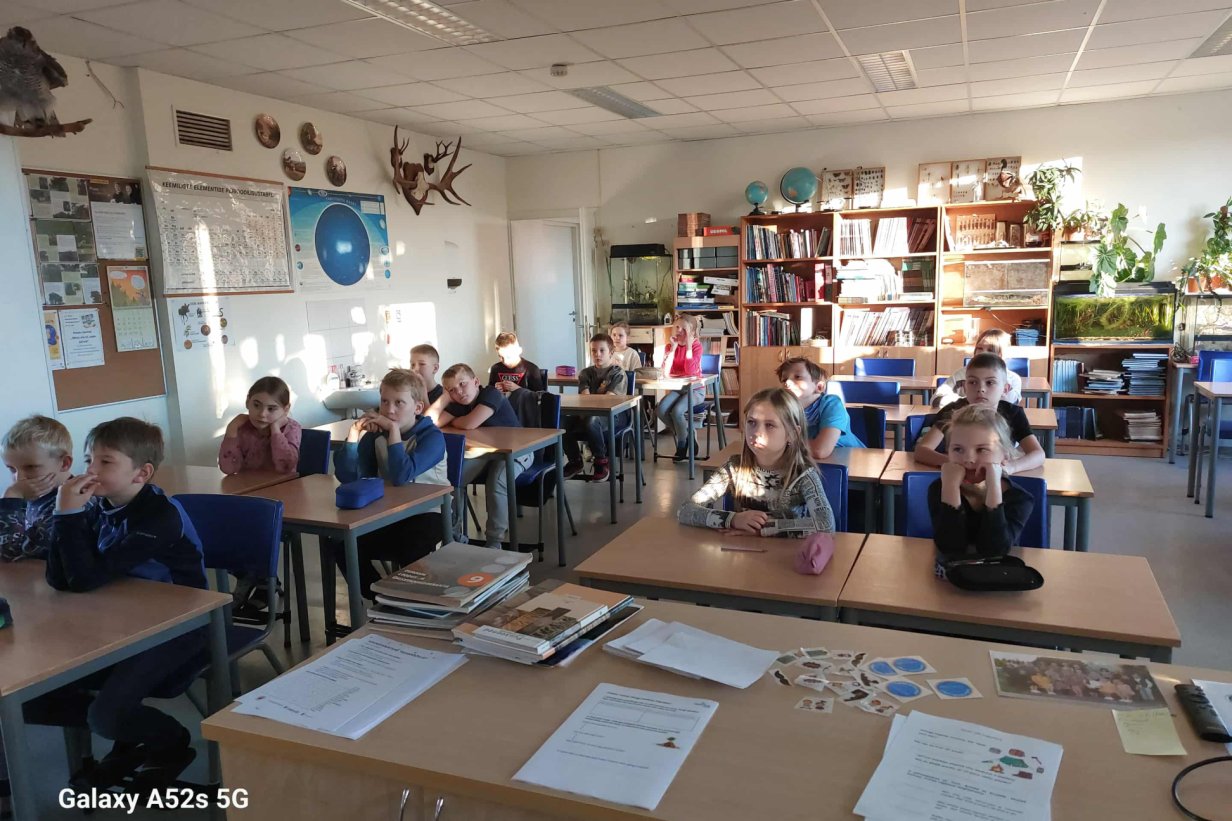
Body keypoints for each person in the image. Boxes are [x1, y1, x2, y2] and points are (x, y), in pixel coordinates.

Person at [31, 418, 207, 790]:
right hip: (116, 622)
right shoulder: (98, 505)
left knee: (106, 715)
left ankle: (170, 741)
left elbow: (84, 579)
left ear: (142, 473)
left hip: (179, 627)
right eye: (88, 460)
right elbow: (60, 578)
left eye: (105, 462)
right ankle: (127, 733)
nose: (90, 470)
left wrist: (69, 516)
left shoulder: (160, 516)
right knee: (33, 699)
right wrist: (65, 516)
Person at [334, 369, 446, 599]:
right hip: (388, 513)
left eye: (398, 403)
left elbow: (401, 475)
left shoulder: (432, 437)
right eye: (384, 401)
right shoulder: (375, 437)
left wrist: (393, 431)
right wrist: (354, 436)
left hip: (429, 512)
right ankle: (378, 597)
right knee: (339, 541)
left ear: (417, 408)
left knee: (412, 543)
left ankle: (410, 601)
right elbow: (348, 477)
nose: (389, 410)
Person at [678, 388, 834, 537]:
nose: (757, 432)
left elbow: (826, 525)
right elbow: (686, 510)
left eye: (769, 425)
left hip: (787, 553)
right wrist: (732, 519)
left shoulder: (803, 475)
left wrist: (763, 529)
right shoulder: (733, 468)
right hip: (741, 551)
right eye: (751, 422)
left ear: (792, 434)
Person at [431, 363, 528, 549]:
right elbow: (431, 422)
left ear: (476, 382)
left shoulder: (491, 393)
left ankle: (494, 541)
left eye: (462, 384)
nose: (459, 392)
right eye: (452, 390)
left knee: (497, 481)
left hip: (518, 451)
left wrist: (456, 421)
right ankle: (453, 536)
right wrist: (444, 398)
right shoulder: (459, 404)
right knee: (453, 479)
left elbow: (470, 423)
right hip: (487, 454)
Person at [928, 404, 1035, 570]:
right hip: (952, 578)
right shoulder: (939, 489)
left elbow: (994, 552)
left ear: (1005, 455)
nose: (968, 459)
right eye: (957, 449)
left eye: (981, 450)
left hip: (998, 578)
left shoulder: (1020, 499)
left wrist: (994, 488)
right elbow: (950, 548)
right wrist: (950, 489)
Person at [913, 353, 1044, 473]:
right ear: (965, 387)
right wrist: (956, 463)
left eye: (990, 383)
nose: (981, 389)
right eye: (973, 382)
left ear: (1005, 389)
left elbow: (1038, 454)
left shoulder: (1013, 413)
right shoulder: (953, 411)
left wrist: (1011, 467)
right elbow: (921, 451)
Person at [1, 415, 74, 562]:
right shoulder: (28, 495)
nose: (19, 478)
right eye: (12, 469)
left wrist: (10, 499)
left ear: (64, 463)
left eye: (31, 467)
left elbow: (7, 555)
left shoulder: (74, 502)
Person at [563, 333, 629, 483]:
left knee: (591, 420)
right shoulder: (586, 373)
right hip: (588, 413)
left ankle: (601, 461)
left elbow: (608, 401)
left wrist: (593, 399)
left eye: (602, 350)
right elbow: (586, 398)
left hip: (614, 416)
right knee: (560, 422)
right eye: (593, 351)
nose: (597, 354)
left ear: (611, 352)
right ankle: (575, 460)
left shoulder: (618, 373)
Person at [776, 357, 864, 459]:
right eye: (784, 379)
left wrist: (782, 444)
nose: (787, 383)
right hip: (814, 464)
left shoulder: (832, 404)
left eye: (797, 377)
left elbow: (820, 450)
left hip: (855, 462)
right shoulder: (783, 409)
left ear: (819, 387)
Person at [218, 376, 302, 475]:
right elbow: (228, 469)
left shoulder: (291, 428)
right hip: (248, 483)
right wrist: (231, 429)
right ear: (247, 402)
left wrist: (275, 430)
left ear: (286, 409)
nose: (262, 414)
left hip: (283, 484)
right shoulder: (242, 428)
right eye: (256, 405)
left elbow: (285, 467)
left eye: (271, 409)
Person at [655, 314, 705, 462]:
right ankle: (688, 434)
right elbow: (666, 371)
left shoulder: (696, 346)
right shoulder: (670, 346)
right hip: (678, 389)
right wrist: (673, 348)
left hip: (695, 390)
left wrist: (688, 346)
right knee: (660, 410)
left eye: (684, 328)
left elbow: (690, 371)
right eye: (677, 327)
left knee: (677, 411)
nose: (679, 331)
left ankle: (682, 444)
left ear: (692, 332)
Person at [934, 329, 1023, 407]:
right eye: (979, 348)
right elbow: (937, 399)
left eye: (990, 350)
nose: (982, 353)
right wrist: (969, 401)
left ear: (1002, 354)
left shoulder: (1013, 379)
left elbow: (1009, 403)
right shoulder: (961, 374)